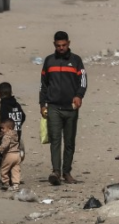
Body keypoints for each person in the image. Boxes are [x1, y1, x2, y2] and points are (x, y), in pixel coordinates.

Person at [39, 31, 88, 186]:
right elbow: (43, 85)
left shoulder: (76, 61)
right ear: (54, 44)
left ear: (69, 43)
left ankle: (67, 172)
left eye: (64, 45)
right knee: (55, 140)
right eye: (58, 45)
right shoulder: (49, 61)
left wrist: (79, 95)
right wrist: (42, 104)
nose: (61, 48)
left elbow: (83, 81)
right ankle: (56, 172)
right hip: (53, 107)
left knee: (69, 142)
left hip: (71, 108)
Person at [0, 82, 26, 178]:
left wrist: (1, 131)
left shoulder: (4, 106)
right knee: (15, 159)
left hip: (6, 137)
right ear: (11, 92)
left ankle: (6, 179)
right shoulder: (17, 104)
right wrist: (18, 125)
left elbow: (3, 120)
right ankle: (15, 180)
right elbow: (23, 116)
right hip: (17, 137)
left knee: (2, 158)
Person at [0, 119, 22, 191]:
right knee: (15, 170)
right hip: (17, 155)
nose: (2, 130)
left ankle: (5, 183)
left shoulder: (7, 136)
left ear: (9, 128)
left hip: (9, 155)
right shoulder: (15, 134)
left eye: (3, 128)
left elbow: (5, 145)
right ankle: (16, 184)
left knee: (4, 169)